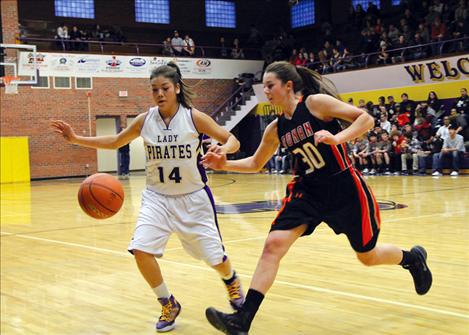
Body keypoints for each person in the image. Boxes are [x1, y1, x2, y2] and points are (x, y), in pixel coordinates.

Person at [202, 61, 432, 335]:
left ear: (288, 86)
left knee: (367, 256)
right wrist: (222, 163)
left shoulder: (315, 104)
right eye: (263, 86)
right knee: (273, 245)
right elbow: (255, 163)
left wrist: (338, 137)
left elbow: (365, 119)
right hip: (307, 191)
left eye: (270, 85)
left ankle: (412, 258)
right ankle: (242, 320)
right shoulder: (275, 129)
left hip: (344, 188)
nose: (265, 91)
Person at [51, 62, 245, 333]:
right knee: (140, 250)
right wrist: (75, 139)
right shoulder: (145, 120)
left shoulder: (193, 117)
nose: (160, 94)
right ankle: (168, 303)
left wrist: (223, 150)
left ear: (176, 88)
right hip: (157, 198)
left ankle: (231, 279)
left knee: (215, 259)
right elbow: (116, 141)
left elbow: (232, 139)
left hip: (193, 198)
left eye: (165, 88)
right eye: (154, 90)